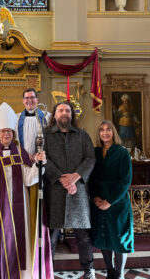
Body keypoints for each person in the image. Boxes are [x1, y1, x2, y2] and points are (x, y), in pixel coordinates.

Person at [0, 102, 53, 279]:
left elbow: (29, 178)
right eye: (2, 131)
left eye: (9, 131)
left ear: (13, 133)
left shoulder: (20, 151)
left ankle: (23, 275)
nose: (6, 134)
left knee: (22, 242)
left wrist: (39, 164)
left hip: (21, 206)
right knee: (2, 242)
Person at [43, 101, 96, 279]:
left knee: (83, 236)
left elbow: (90, 158)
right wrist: (61, 178)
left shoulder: (82, 135)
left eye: (67, 110)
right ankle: (46, 270)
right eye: (60, 110)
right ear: (54, 114)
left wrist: (76, 176)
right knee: (51, 236)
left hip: (78, 190)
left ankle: (89, 270)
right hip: (55, 190)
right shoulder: (46, 135)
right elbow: (44, 159)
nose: (64, 113)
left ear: (72, 114)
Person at [89, 120, 134, 279]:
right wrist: (95, 198)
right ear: (99, 133)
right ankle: (110, 271)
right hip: (98, 202)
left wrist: (109, 201)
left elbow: (125, 181)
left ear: (113, 132)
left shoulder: (121, 152)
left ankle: (119, 273)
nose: (105, 132)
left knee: (119, 240)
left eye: (108, 129)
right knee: (105, 237)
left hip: (117, 204)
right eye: (102, 130)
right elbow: (91, 178)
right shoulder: (95, 152)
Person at [16, 88, 50, 160]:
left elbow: (50, 139)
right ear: (23, 101)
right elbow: (15, 139)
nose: (30, 100)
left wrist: (38, 154)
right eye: (27, 98)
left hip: (42, 158)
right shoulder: (16, 118)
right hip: (22, 158)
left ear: (37, 100)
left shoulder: (47, 116)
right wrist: (25, 154)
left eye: (32, 97)